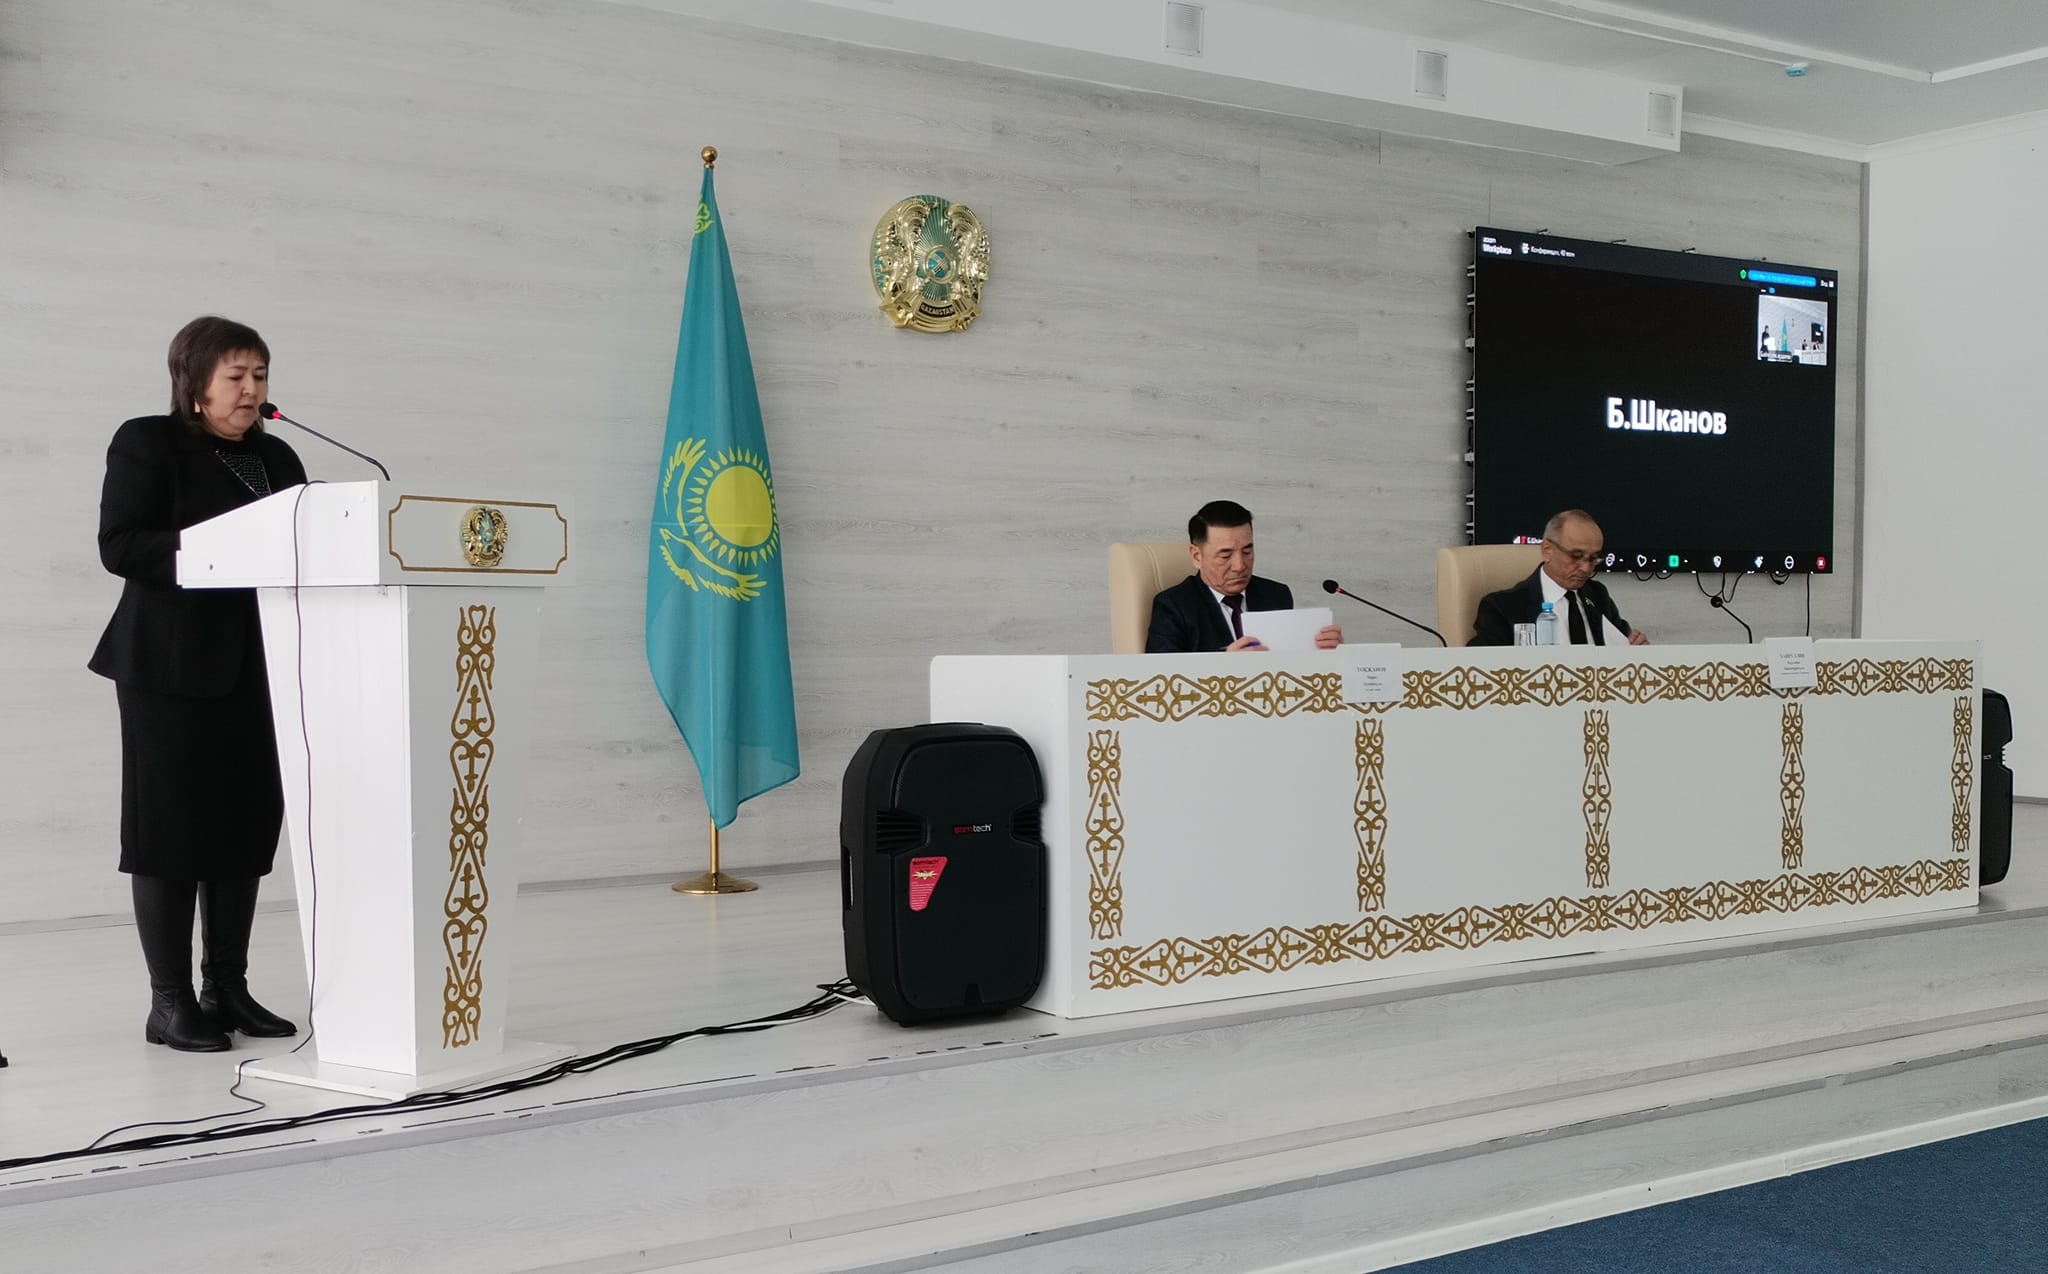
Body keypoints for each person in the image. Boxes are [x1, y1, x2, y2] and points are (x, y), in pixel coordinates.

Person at [88, 316, 308, 1052]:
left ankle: (227, 988)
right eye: (236, 376)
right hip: (169, 667)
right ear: (194, 383)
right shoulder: (149, 443)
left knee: (243, 825)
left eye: (260, 376)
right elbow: (121, 545)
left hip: (261, 664)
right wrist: (218, 550)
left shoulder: (278, 457)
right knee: (171, 832)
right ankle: (170, 1002)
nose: (251, 390)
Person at [1145, 500, 1342, 653]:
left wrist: (1329, 653)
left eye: (1247, 552)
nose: (1240, 566)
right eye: (1225, 555)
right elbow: (1161, 679)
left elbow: (1290, 662)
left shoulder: (1276, 595)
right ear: (1197, 556)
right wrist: (1226, 666)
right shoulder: (1173, 606)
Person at [1470, 510, 1649, 647]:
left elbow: (1621, 645)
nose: (1586, 568)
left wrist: (1637, 649)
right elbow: (1479, 668)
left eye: (1594, 559)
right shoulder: (1501, 608)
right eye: (1576, 556)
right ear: (1547, 550)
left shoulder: (1597, 595)